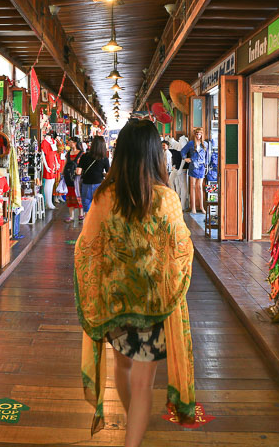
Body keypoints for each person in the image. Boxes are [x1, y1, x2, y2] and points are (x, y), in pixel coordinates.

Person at [75, 119, 196, 446]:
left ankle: (133, 424)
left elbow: (85, 249)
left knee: (122, 369)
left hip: (114, 306)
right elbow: (183, 249)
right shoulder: (166, 199)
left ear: (122, 153)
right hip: (153, 308)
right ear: (156, 154)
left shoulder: (103, 197)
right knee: (144, 385)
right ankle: (133, 438)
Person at [76, 135, 110, 213]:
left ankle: (87, 223)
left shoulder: (84, 156)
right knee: (98, 208)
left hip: (86, 184)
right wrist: (102, 174)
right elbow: (108, 174)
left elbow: (78, 172)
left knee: (87, 209)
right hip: (98, 185)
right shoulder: (104, 158)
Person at [181, 128, 208, 214]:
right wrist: (185, 159)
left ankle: (201, 207)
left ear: (202, 134)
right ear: (195, 134)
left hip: (202, 167)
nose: (198, 136)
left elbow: (207, 156)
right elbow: (182, 151)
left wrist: (206, 165)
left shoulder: (205, 144)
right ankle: (193, 207)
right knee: (192, 186)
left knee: (200, 187)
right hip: (193, 166)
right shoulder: (191, 143)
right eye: (197, 134)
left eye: (200, 134)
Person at [62, 137, 83, 222]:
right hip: (68, 176)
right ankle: (71, 215)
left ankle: (81, 214)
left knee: (78, 193)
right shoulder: (68, 153)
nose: (69, 144)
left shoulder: (82, 153)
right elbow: (65, 163)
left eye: (70, 142)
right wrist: (63, 172)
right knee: (70, 193)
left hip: (77, 177)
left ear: (75, 143)